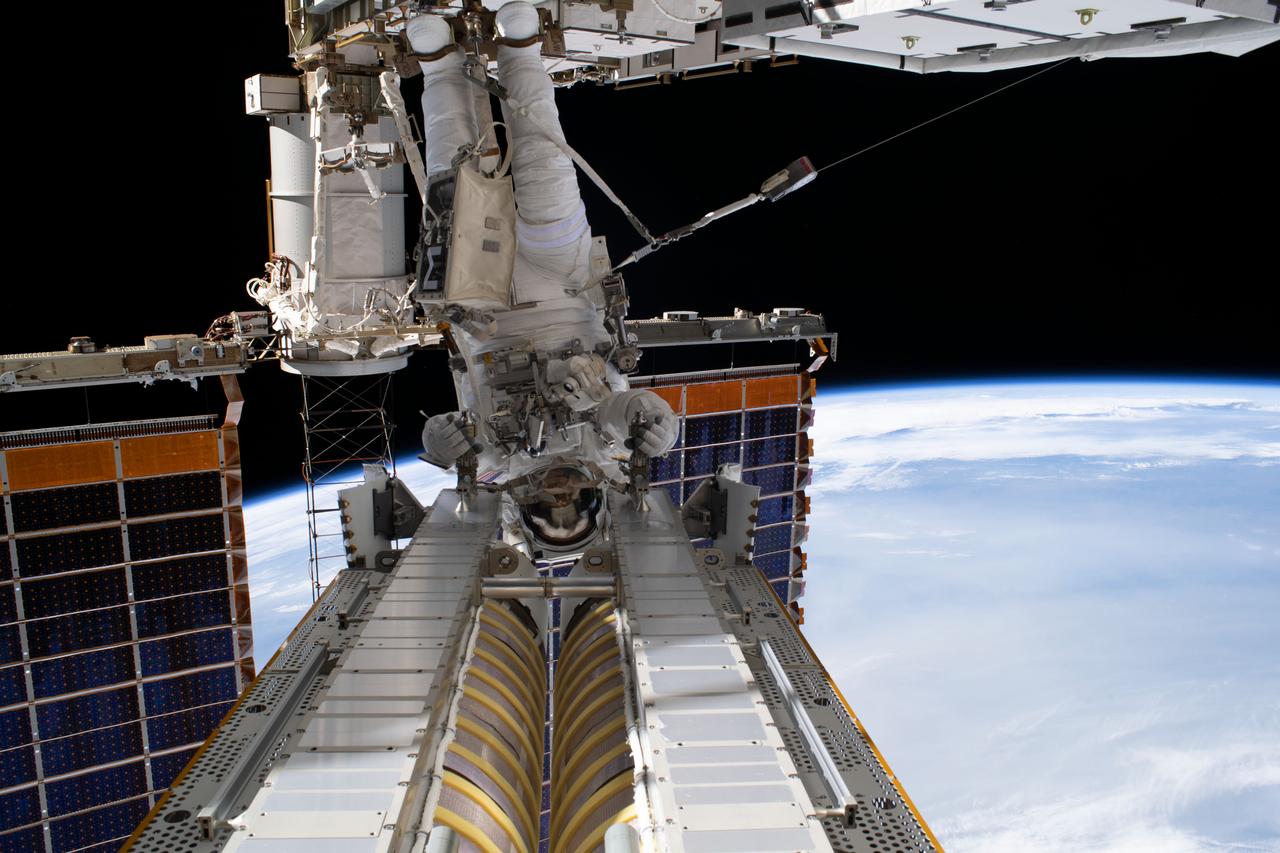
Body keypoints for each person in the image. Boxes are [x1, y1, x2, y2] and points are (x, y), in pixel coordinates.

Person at [408, 3, 678, 550]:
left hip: (484, 310)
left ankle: (437, 66)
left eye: (547, 508)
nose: (561, 494)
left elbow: (462, 442)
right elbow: (625, 410)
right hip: (565, 287)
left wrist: (441, 444)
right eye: (573, 506)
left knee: (453, 180)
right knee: (544, 170)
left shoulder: (494, 464)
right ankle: (520, 52)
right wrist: (657, 423)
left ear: (523, 506)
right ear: (594, 500)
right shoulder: (612, 449)